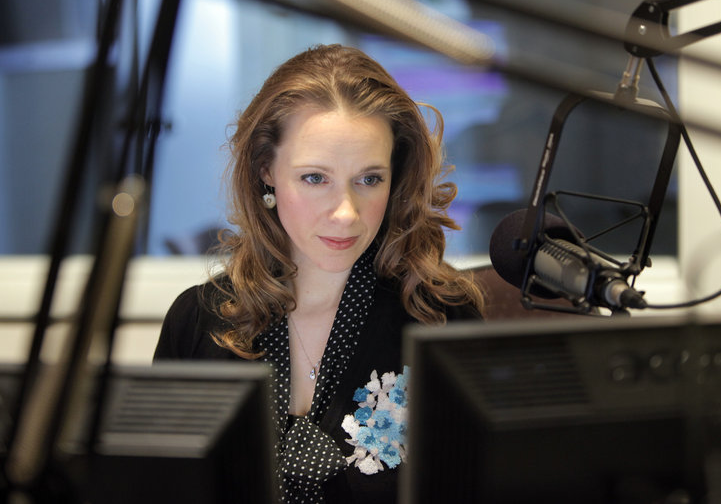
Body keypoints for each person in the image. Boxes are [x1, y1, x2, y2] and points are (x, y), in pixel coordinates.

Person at [153, 44, 485, 503]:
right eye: (315, 178)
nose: (346, 213)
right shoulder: (198, 322)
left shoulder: (441, 319)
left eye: (370, 179)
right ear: (265, 170)